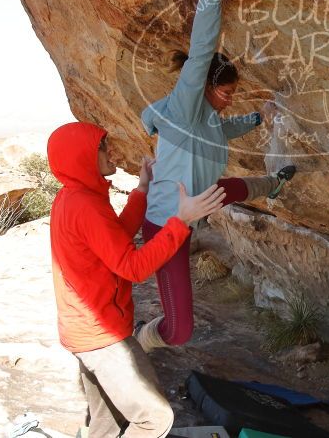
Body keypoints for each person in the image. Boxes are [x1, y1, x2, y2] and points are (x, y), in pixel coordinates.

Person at [136, 0, 295, 352]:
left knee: (230, 188)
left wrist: (261, 116)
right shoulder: (185, 107)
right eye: (226, 93)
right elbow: (202, 47)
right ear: (202, 86)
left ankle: (275, 182)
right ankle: (146, 337)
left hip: (194, 210)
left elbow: (226, 130)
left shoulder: (206, 119)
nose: (230, 101)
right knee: (180, 331)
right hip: (164, 227)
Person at [47, 121, 226, 438]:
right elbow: (133, 267)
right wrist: (181, 221)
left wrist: (142, 189)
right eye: (103, 146)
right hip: (101, 338)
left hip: (83, 332)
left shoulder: (72, 198)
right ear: (83, 157)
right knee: (154, 419)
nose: (110, 150)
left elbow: (113, 240)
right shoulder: (85, 205)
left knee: (107, 422)